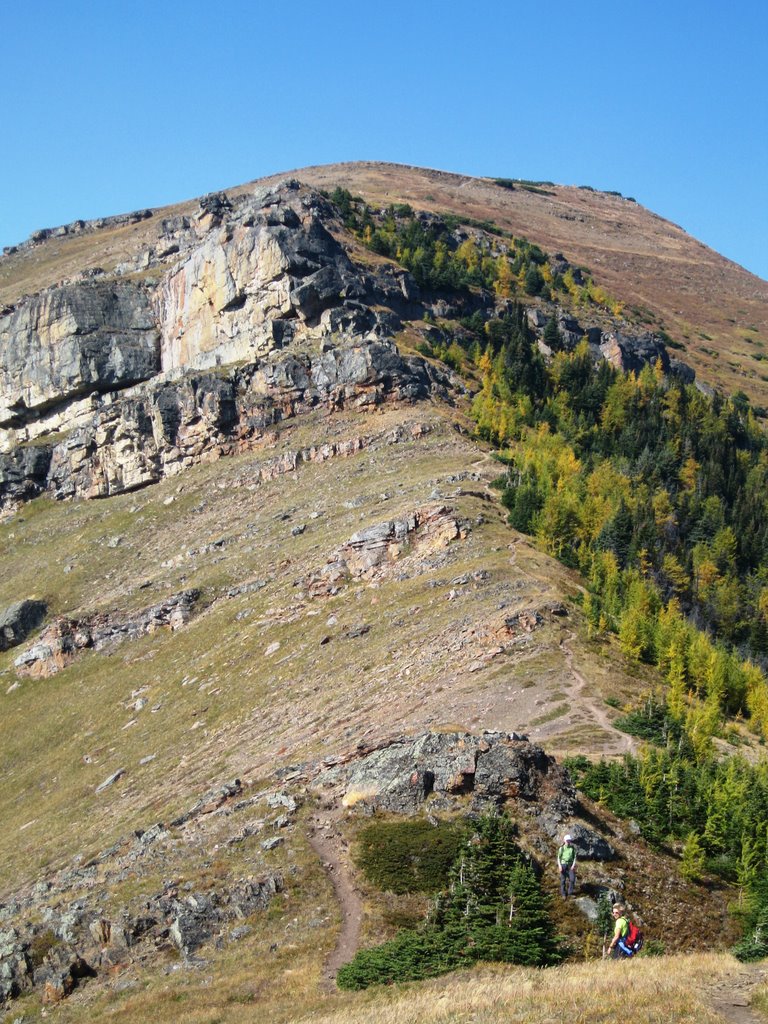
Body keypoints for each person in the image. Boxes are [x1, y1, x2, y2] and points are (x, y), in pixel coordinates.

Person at [557, 833, 577, 898]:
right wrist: (560, 866)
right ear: (564, 840)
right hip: (563, 865)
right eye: (567, 840)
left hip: (570, 865)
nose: (568, 841)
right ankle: (563, 894)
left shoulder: (572, 848)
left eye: (569, 840)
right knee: (563, 880)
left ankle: (570, 893)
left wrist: (573, 865)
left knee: (572, 879)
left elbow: (574, 857)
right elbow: (558, 858)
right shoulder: (561, 848)